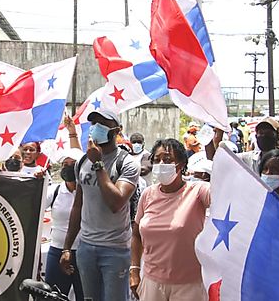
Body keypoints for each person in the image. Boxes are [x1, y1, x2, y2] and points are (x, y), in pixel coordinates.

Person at [60, 109, 139, 301]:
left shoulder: (126, 163)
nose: (95, 128)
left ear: (116, 130)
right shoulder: (82, 162)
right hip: (86, 247)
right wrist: (67, 247)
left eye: (102, 124)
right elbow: (78, 206)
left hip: (115, 250)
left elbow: (116, 202)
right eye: (93, 123)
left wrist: (98, 165)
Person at [130, 139, 209, 300]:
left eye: (167, 160)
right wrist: (134, 270)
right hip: (152, 283)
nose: (160, 164)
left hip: (189, 286)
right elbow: (136, 235)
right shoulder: (147, 194)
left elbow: (223, 195)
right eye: (157, 159)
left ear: (180, 164)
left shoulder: (197, 191)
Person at [45, 148, 85, 301]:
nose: (67, 167)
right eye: (64, 164)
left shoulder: (90, 191)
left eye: (72, 164)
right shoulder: (54, 191)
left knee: (85, 295)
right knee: (53, 296)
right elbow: (29, 202)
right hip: (57, 251)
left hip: (84, 253)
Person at [237, 117, 279, 193]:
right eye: (261, 133)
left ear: (277, 137)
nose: (264, 136)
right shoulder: (248, 158)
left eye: (268, 133)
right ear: (256, 136)